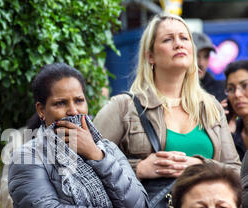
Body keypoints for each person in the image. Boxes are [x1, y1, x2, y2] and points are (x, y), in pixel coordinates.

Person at [8, 63, 149, 208]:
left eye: (79, 100)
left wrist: (96, 156)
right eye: (60, 103)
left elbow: (137, 207)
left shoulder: (108, 150)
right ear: (41, 110)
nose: (73, 110)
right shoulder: (28, 157)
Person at [94, 14, 240, 183]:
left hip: (207, 207)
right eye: (168, 40)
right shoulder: (124, 107)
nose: (178, 44)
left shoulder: (210, 106)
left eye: (184, 38)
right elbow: (86, 164)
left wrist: (201, 166)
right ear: (150, 56)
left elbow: (236, 172)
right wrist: (138, 168)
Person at [223, 60, 248, 162]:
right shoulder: (232, 131)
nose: (237, 94)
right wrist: (223, 132)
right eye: (231, 89)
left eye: (245, 85)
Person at [192, 32, 226, 102]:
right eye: (196, 56)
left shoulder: (220, 89)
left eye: (206, 56)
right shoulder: (173, 88)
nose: (201, 63)